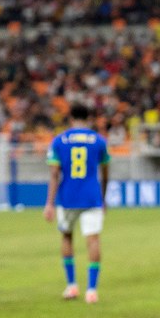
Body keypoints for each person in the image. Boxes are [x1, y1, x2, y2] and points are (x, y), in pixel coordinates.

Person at [43, 104, 110, 303]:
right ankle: (91, 290)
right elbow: (105, 174)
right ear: (88, 118)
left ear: (70, 118)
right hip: (92, 197)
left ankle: (72, 286)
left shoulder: (59, 141)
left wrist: (49, 203)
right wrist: (103, 198)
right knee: (93, 240)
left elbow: (55, 174)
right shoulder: (99, 141)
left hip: (67, 197)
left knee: (66, 237)